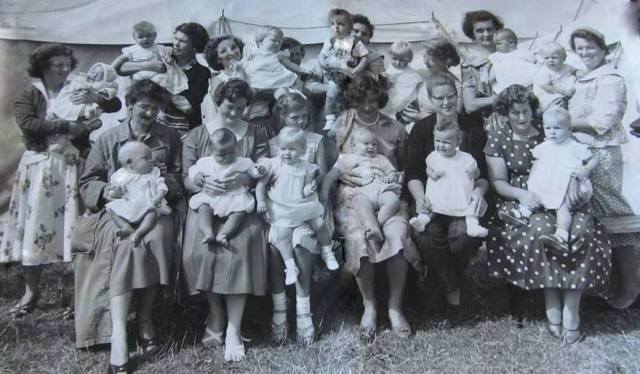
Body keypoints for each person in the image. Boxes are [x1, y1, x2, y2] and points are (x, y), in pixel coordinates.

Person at [484, 84, 611, 344]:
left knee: (580, 230)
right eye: (515, 112)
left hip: (564, 194)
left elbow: (575, 159)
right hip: (522, 198)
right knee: (542, 232)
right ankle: (552, 309)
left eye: (526, 111)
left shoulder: (550, 129)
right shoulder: (498, 137)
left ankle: (571, 311)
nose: (521, 118)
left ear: (534, 111)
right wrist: (522, 196)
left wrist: (575, 182)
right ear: (505, 113)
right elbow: (497, 181)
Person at [1, 44, 120, 318]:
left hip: (72, 166)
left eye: (67, 64)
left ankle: (72, 293)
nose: (65, 69)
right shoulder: (30, 94)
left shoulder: (77, 88)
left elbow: (114, 104)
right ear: (44, 67)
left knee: (72, 229)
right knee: (34, 228)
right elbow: (29, 124)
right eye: (58, 65)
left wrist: (93, 101)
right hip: (40, 168)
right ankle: (32, 291)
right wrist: (69, 126)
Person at [74, 79, 181, 372]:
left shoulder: (169, 136)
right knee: (125, 244)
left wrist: (161, 188)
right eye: (144, 106)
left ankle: (145, 316)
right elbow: (88, 181)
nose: (149, 113)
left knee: (156, 236)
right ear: (131, 105)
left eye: (155, 108)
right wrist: (106, 191)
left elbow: (177, 176)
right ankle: (120, 328)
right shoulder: (109, 138)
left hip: (153, 209)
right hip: (116, 211)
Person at [181, 79, 268, 362]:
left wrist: (246, 179)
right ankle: (215, 312)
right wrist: (202, 185)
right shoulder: (197, 135)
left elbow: (264, 170)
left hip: (242, 205)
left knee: (240, 246)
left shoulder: (255, 133)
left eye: (241, 108)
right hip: (206, 204)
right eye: (230, 106)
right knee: (201, 245)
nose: (234, 113)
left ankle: (234, 326)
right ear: (218, 103)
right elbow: (186, 176)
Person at [332, 75, 422, 339]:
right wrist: (340, 176)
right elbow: (329, 164)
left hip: (388, 199)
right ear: (353, 100)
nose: (368, 106)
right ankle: (369, 305)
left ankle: (395, 306)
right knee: (358, 236)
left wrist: (396, 184)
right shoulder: (343, 125)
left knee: (396, 234)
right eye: (362, 100)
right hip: (353, 200)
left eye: (373, 100)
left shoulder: (394, 128)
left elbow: (406, 167)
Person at [568, 28, 640, 309]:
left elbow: (604, 121)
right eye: (580, 49)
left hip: (602, 153)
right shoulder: (584, 78)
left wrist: (561, 122)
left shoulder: (610, 79)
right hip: (581, 152)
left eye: (590, 48)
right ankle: (604, 282)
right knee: (590, 217)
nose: (585, 53)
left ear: (603, 49)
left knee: (614, 215)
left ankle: (632, 286)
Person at [406, 73, 489, 307]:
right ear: (431, 99)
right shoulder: (422, 129)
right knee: (427, 236)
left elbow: (482, 175)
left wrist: (479, 193)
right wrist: (419, 197)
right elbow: (412, 172)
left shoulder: (472, 128)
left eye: (451, 96)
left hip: (464, 201)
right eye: (439, 98)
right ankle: (452, 286)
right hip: (431, 201)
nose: (446, 103)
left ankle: (438, 280)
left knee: (463, 235)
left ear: (457, 94)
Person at [266, 88, 330, 345]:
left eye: (304, 116)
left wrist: (315, 191)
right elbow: (269, 178)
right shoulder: (275, 145)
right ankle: (279, 310)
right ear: (283, 118)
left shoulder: (316, 141)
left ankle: (304, 313)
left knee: (301, 244)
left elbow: (322, 175)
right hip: (280, 209)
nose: (301, 122)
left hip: (308, 208)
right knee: (273, 246)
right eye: (295, 118)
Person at [499, 108, 597, 253]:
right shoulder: (545, 146)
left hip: (564, 185)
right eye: (548, 128)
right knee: (535, 195)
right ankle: (523, 214)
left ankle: (562, 235)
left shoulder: (574, 146)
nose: (552, 132)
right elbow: (538, 164)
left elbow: (594, 158)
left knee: (562, 207)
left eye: (557, 128)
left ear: (569, 129)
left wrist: (586, 169)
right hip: (547, 182)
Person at [256, 127, 339, 286]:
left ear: (302, 150)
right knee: (283, 233)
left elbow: (307, 187)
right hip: (283, 208)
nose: (286, 153)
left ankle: (327, 252)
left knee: (320, 224)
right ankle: (290, 266)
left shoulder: (307, 167)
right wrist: (261, 201)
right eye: (283, 149)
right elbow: (261, 185)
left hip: (302, 206)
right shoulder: (273, 164)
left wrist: (310, 188)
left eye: (292, 149)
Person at [115, 22, 210, 137]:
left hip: (178, 130)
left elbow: (187, 107)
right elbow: (120, 68)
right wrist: (148, 65)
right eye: (175, 38)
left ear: (195, 47)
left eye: (182, 41)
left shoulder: (201, 72)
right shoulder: (163, 52)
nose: (176, 44)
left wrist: (156, 88)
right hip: (143, 123)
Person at [322, 127, 402, 243]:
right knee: (361, 204)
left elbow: (392, 172)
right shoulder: (346, 158)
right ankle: (372, 227)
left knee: (393, 201)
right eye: (366, 144)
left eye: (374, 144)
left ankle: (377, 225)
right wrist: (325, 189)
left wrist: (390, 176)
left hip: (382, 190)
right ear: (354, 147)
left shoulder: (381, 159)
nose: (371, 147)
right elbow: (331, 176)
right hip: (360, 192)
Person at [409, 124, 488, 238]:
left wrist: (474, 172)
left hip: (459, 195)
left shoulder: (466, 158)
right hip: (440, 193)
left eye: (446, 142)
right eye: (437, 141)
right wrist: (432, 173)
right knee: (430, 207)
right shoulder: (434, 157)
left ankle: (473, 226)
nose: (441, 145)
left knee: (470, 208)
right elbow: (428, 169)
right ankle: (422, 222)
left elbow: (477, 173)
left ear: (458, 142)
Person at [188, 128, 264, 246]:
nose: (227, 157)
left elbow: (253, 171)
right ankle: (207, 232)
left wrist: (259, 170)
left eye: (231, 153)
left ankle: (224, 234)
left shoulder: (242, 162)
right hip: (211, 196)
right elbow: (193, 169)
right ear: (211, 151)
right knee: (203, 209)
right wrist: (196, 176)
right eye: (221, 155)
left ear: (237, 148)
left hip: (234, 198)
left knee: (239, 215)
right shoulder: (206, 162)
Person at [112, 21, 191, 112]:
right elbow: (121, 59)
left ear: (155, 35)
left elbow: (167, 56)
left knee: (165, 88)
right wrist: (111, 67)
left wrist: (169, 59)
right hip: (140, 80)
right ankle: (131, 110)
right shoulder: (132, 50)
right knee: (135, 94)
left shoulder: (159, 48)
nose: (145, 39)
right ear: (134, 37)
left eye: (148, 36)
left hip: (157, 78)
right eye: (141, 37)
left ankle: (176, 103)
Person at [105, 141, 172, 247]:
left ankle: (139, 232)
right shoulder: (120, 175)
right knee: (112, 210)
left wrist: (159, 196)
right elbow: (113, 191)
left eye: (151, 157)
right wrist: (115, 193)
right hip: (129, 205)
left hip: (147, 204)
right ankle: (125, 226)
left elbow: (161, 185)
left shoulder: (154, 172)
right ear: (129, 163)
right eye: (146, 158)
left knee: (152, 214)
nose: (151, 160)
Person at [319, 8, 370, 132]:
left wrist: (359, 68)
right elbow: (322, 55)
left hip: (351, 75)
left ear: (349, 27)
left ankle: (355, 119)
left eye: (340, 24)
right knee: (330, 95)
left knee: (355, 97)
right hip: (336, 75)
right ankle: (330, 119)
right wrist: (321, 62)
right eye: (333, 24)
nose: (336, 27)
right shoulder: (329, 41)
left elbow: (365, 57)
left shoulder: (355, 42)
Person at [48, 62, 116, 152]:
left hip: (80, 123)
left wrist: (96, 98)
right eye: (93, 72)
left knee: (95, 123)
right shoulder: (78, 81)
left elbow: (115, 104)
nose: (93, 74)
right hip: (65, 111)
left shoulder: (101, 88)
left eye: (99, 74)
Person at [397, 37, 462, 126]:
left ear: (445, 60)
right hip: (415, 127)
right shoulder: (421, 76)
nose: (425, 61)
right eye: (424, 57)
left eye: (430, 59)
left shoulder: (454, 84)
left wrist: (417, 116)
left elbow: (453, 117)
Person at [460, 10, 504, 117]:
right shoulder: (469, 66)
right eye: (480, 31)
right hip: (490, 120)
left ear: (497, 30)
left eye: (490, 29)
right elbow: (469, 105)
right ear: (473, 34)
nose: (486, 34)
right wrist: (499, 98)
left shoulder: (511, 56)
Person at [240, 25, 304, 90]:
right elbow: (242, 66)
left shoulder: (278, 55)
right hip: (260, 82)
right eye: (274, 40)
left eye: (279, 42)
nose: (277, 43)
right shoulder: (253, 55)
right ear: (261, 42)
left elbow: (291, 65)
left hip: (278, 81)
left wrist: (304, 70)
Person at [488, 28, 537, 95]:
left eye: (499, 44)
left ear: (511, 43)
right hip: (507, 78)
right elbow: (492, 66)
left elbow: (533, 59)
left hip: (526, 77)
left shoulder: (521, 52)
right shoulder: (496, 55)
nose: (496, 47)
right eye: (496, 44)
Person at [383, 41, 423, 122]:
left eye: (402, 60)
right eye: (394, 59)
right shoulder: (388, 68)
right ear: (390, 56)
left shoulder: (413, 75)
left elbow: (415, 89)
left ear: (409, 60)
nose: (397, 63)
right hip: (390, 99)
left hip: (405, 102)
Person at [532, 42, 577, 112]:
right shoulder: (545, 72)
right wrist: (564, 92)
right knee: (556, 103)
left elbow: (574, 70)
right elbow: (546, 87)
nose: (550, 60)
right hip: (553, 92)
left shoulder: (566, 66)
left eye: (554, 57)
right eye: (546, 58)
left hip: (569, 91)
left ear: (563, 58)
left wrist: (578, 72)